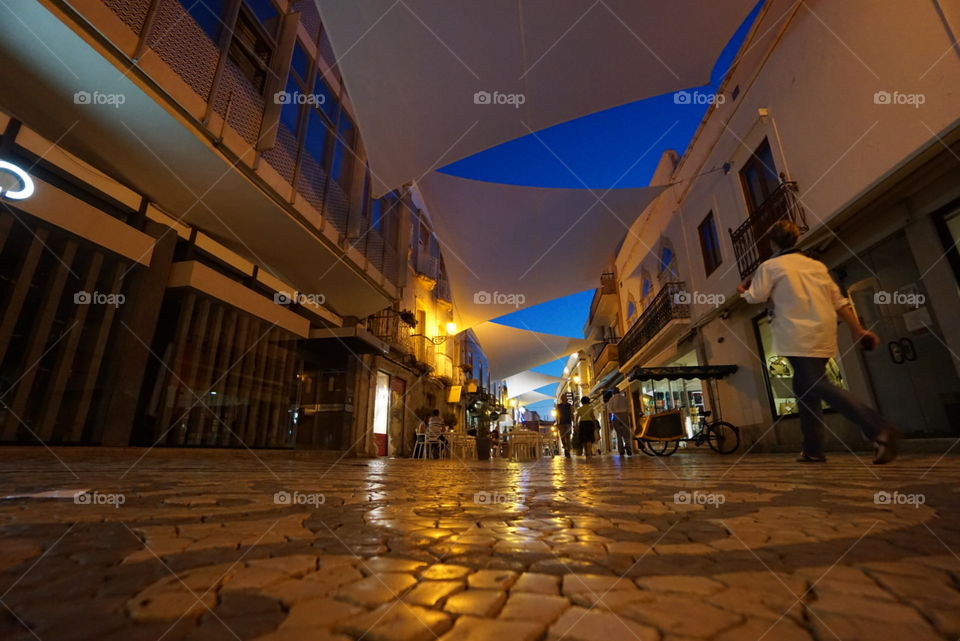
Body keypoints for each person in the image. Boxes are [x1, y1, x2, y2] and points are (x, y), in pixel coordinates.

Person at [738, 220, 900, 464]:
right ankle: (813, 450)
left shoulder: (769, 266)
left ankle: (879, 429)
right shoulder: (816, 266)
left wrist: (744, 291)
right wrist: (857, 329)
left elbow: (756, 296)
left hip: (796, 334)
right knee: (805, 391)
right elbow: (839, 302)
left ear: (772, 243)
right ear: (795, 239)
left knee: (816, 384)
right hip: (823, 333)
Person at [605, 388, 633, 456]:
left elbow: (610, 411)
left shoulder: (611, 399)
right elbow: (629, 409)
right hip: (624, 415)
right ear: (619, 391)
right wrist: (631, 419)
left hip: (616, 416)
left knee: (619, 434)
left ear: (613, 393)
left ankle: (621, 450)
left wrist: (610, 421)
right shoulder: (624, 398)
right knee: (626, 432)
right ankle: (628, 446)